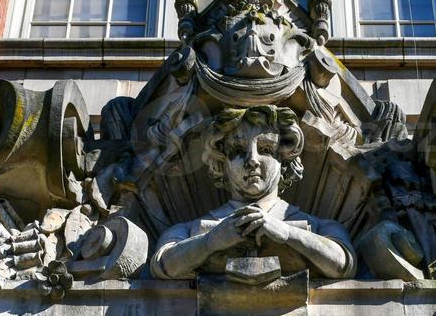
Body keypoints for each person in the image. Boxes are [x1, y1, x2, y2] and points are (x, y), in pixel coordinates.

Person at [151, 106, 356, 280]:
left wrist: (286, 233)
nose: (252, 160)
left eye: (266, 150)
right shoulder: (188, 230)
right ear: (222, 164)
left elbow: (343, 263)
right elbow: (163, 265)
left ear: (284, 161)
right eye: (238, 151)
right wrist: (211, 241)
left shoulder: (321, 227)